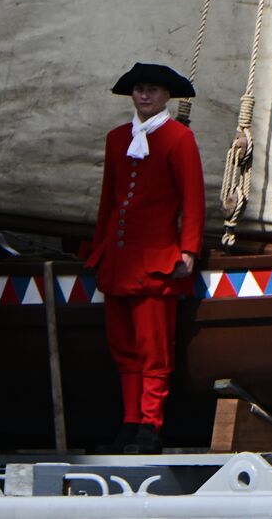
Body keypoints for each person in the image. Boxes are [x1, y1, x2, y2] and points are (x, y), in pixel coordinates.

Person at [85, 63, 204, 455]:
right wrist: (99, 249)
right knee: (123, 348)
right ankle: (130, 421)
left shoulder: (178, 138)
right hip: (119, 263)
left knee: (155, 350)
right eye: (139, 89)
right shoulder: (117, 138)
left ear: (166, 96)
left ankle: (151, 425)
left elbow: (192, 199)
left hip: (156, 263)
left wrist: (188, 250)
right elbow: (108, 200)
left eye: (152, 90)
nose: (144, 96)